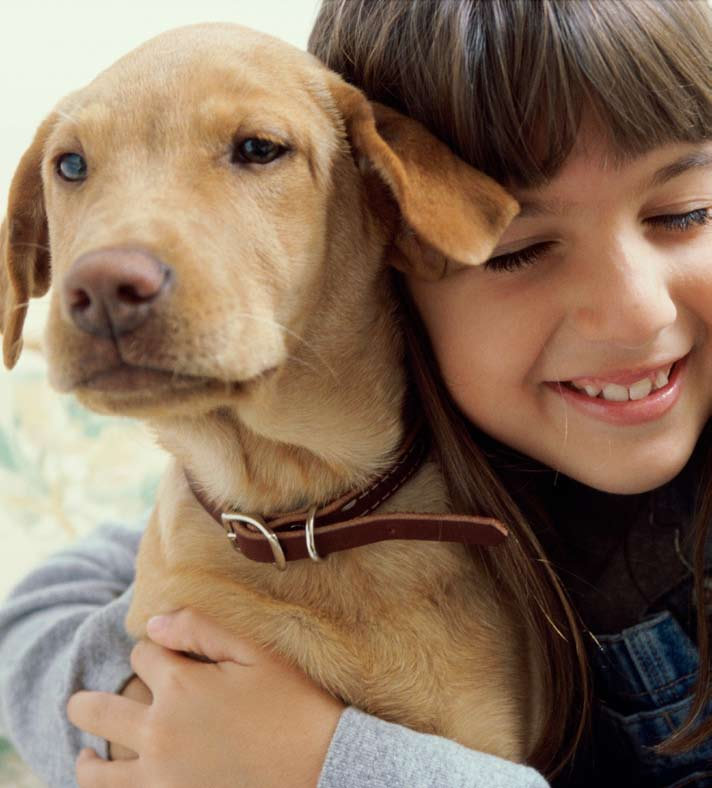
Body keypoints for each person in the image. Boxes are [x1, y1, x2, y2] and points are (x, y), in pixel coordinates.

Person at [1, 0, 710, 786]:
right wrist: (141, 719)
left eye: (256, 148)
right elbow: (34, 617)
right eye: (73, 166)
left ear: (389, 207)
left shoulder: (540, 452)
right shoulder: (491, 420)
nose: (111, 265)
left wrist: (327, 766)